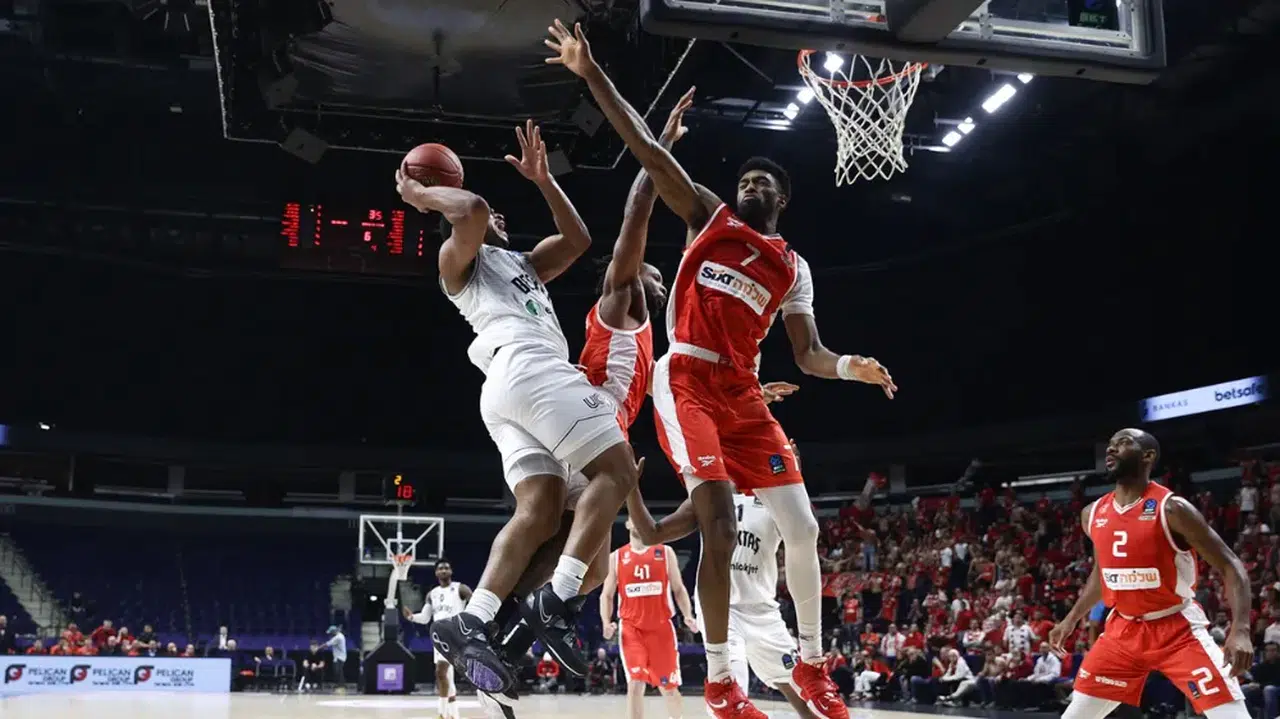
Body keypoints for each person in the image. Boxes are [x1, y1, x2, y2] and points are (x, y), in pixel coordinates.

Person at [544, 20, 896, 719]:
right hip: (688, 381)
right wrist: (590, 74)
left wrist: (852, 366)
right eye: (745, 177)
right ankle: (722, 679)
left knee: (804, 527)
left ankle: (816, 663)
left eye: (763, 180)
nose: (751, 182)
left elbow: (808, 355)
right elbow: (644, 148)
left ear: (782, 200)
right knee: (714, 516)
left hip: (741, 393)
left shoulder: (792, 268)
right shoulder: (709, 216)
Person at [396, 119, 644, 693]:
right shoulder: (460, 263)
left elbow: (579, 240)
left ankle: (475, 618)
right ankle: (555, 601)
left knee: (541, 509)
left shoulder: (525, 268)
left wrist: (543, 180)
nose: (496, 221)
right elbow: (475, 207)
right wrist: (421, 195)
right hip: (527, 368)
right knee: (618, 469)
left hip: (507, 391)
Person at [1048, 428, 1253, 719]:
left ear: (1148, 456)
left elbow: (1231, 566)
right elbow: (1102, 573)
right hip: (1122, 632)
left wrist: (1241, 629)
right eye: (1110, 445)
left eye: (1123, 443)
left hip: (1177, 629)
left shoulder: (1173, 509)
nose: (1111, 449)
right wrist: (1070, 620)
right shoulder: (1092, 513)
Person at [600, 522, 698, 719]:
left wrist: (688, 614)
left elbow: (678, 589)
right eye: (633, 517)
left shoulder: (665, 552)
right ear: (627, 524)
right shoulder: (616, 557)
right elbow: (606, 595)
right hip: (631, 629)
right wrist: (606, 621)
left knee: (668, 687)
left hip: (661, 629)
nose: (637, 520)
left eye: (641, 517)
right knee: (635, 682)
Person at [404, 559, 472, 719]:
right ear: (436, 573)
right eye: (440, 568)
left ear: (451, 571)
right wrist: (412, 617)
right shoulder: (432, 594)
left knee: (440, 672)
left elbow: (475, 602)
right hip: (439, 637)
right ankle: (454, 715)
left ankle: (442, 714)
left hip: (454, 634)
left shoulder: (460, 588)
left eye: (446, 568)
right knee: (447, 676)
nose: (443, 570)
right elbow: (426, 618)